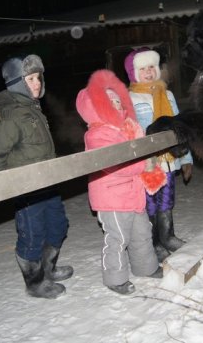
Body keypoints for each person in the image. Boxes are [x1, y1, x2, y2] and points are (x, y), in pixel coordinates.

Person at [0, 54, 73, 299]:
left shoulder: (32, 108)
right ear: (18, 82)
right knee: (32, 235)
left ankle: (47, 269)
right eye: (30, 79)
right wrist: (4, 186)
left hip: (47, 185)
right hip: (27, 190)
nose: (37, 83)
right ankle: (35, 282)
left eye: (38, 77)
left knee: (58, 226)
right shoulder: (10, 114)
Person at [75, 69, 164, 295]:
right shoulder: (97, 134)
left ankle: (146, 267)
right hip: (111, 197)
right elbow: (115, 163)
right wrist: (143, 164)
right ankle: (114, 277)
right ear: (96, 106)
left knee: (142, 232)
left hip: (132, 194)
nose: (116, 104)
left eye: (117, 100)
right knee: (118, 238)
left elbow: (138, 153)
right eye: (110, 101)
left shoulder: (125, 129)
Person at [124, 48, 194, 261]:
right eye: (142, 69)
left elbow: (179, 128)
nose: (148, 72)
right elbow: (128, 131)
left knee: (167, 200)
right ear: (134, 73)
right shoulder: (130, 98)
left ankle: (168, 236)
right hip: (147, 162)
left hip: (169, 160)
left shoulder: (168, 94)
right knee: (150, 203)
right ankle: (154, 242)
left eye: (151, 67)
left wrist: (186, 159)